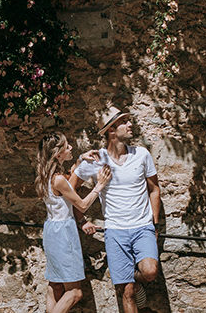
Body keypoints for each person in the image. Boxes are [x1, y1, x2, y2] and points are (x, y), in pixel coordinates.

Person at [72, 106, 163, 313]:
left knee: (150, 271)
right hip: (115, 232)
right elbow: (71, 189)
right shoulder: (97, 160)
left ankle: (134, 277)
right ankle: (131, 281)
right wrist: (82, 220)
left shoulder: (142, 154)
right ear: (111, 130)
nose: (130, 124)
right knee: (127, 292)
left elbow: (154, 189)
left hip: (142, 227)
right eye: (124, 122)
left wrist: (155, 224)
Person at [35, 132, 112, 313]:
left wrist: (79, 160)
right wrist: (99, 185)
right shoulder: (59, 179)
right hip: (64, 233)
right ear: (58, 154)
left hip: (52, 230)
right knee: (75, 292)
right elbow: (83, 205)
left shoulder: (48, 176)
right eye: (66, 147)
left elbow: (67, 183)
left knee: (55, 284)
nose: (71, 148)